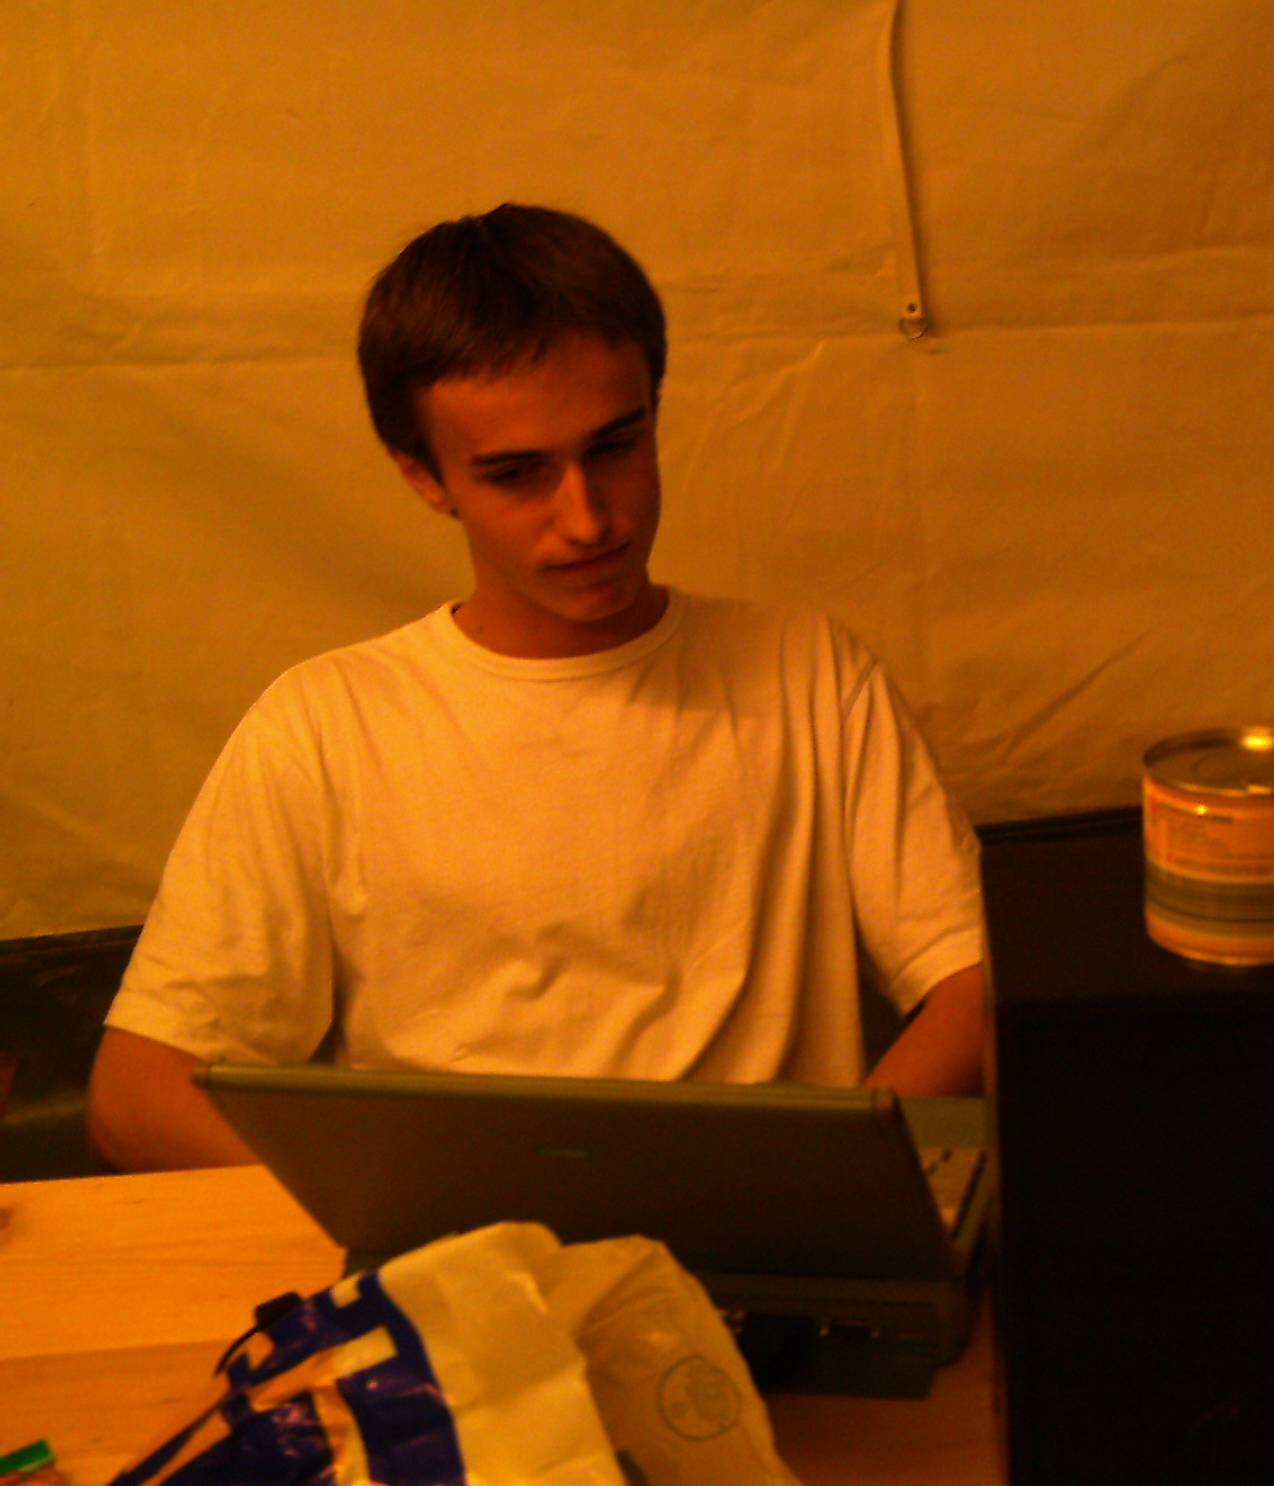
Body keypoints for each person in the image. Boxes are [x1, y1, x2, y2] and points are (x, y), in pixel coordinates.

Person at [89, 205, 985, 1171]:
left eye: (614, 447)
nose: (588, 518)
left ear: (653, 412)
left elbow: (975, 985)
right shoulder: (325, 724)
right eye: (517, 474)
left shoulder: (809, 671)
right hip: (459, 1255)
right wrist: (415, 1208)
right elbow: (135, 1095)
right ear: (423, 476)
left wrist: (822, 1179)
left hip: (773, 1244)